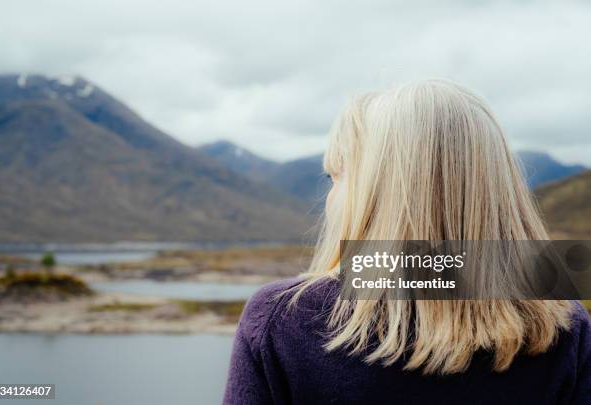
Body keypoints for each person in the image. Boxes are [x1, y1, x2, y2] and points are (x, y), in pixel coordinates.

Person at [223, 79, 591, 404]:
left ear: (375, 193)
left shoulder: (282, 319)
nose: (329, 198)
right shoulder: (565, 323)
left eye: (336, 176)